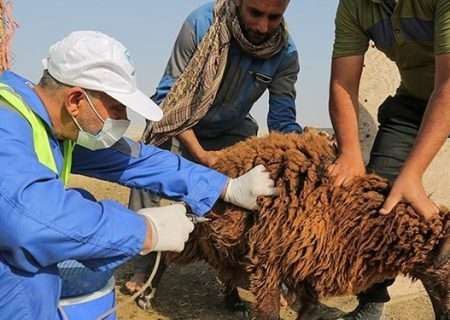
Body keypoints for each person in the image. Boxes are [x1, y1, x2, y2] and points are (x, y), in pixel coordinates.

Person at [0, 30, 278, 320]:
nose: (124, 120)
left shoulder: (53, 124)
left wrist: (226, 186)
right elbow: (32, 221)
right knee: (30, 269)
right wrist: (146, 230)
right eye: (117, 107)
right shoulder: (6, 126)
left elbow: (137, 160)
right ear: (75, 100)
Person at [126, 0, 303, 297]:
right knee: (149, 160)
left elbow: (282, 118)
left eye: (274, 17)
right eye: (255, 14)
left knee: (247, 191)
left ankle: (231, 270)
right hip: (180, 124)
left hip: (231, 130)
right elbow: (166, 100)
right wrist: (201, 155)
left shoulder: (285, 54)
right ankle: (147, 262)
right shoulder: (201, 23)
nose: (263, 26)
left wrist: (302, 155)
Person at [328, 0, 450, 319]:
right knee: (380, 197)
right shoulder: (353, 6)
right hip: (414, 102)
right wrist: (351, 152)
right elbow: (343, 82)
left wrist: (413, 173)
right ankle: (372, 302)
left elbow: (449, 84)